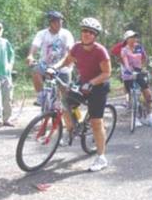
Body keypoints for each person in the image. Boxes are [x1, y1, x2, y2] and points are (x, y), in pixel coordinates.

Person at [46, 17, 112, 172]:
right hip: (83, 83)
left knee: (96, 122)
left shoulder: (100, 51)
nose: (87, 34)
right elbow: (66, 60)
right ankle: (72, 129)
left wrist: (92, 82)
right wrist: (54, 67)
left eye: (91, 32)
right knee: (66, 103)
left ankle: (101, 158)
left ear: (95, 35)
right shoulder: (76, 47)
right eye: (84, 30)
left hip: (99, 86)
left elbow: (107, 73)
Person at [26, 11, 74, 107]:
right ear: (50, 23)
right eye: (56, 22)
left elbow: (69, 52)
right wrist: (30, 56)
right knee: (36, 70)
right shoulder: (42, 34)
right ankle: (41, 96)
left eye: (60, 22)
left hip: (63, 68)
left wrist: (64, 63)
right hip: (46, 67)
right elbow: (34, 46)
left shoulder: (66, 34)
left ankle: (66, 112)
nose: (59, 24)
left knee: (65, 101)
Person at [120, 31, 152, 127]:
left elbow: (144, 58)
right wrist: (129, 70)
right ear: (127, 39)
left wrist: (143, 67)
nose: (134, 39)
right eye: (132, 37)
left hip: (139, 72)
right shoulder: (124, 50)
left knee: (148, 95)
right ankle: (135, 118)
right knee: (132, 98)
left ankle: (150, 117)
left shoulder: (139, 47)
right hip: (128, 74)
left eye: (135, 37)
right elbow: (125, 62)